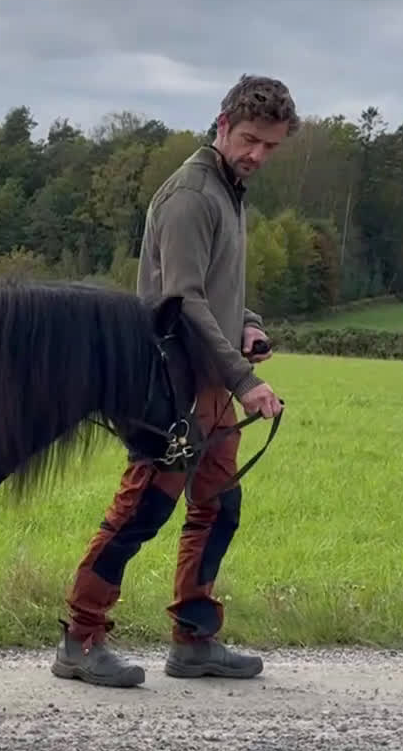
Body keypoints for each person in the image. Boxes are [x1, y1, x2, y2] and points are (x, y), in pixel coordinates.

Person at [52, 74, 297, 689]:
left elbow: (218, 288)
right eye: (249, 140)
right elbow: (183, 300)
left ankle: (195, 639)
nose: (257, 155)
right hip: (171, 388)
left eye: (270, 146)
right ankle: (80, 638)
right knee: (143, 510)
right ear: (222, 124)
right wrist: (245, 380)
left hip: (210, 386)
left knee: (218, 508)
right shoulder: (191, 196)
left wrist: (248, 324)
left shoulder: (229, 189)